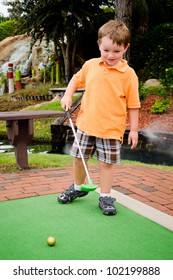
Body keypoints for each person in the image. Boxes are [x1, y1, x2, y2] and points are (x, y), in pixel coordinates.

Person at [57, 20, 141, 215]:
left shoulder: (129, 75)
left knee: (106, 164)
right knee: (79, 158)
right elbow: (75, 81)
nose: (110, 56)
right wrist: (68, 95)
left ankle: (105, 196)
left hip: (111, 129)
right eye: (106, 50)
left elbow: (133, 105)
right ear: (99, 45)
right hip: (86, 125)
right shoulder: (91, 65)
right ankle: (78, 187)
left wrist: (134, 130)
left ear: (125, 48)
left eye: (116, 51)